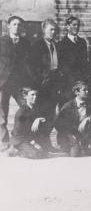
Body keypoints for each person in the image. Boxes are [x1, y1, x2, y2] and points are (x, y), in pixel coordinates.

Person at [29, 18, 63, 149]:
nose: (53, 32)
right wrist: (40, 80)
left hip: (54, 83)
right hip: (42, 84)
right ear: (44, 30)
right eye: (51, 29)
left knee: (50, 113)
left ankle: (47, 141)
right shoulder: (37, 45)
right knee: (41, 112)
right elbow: (31, 66)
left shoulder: (56, 45)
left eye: (55, 29)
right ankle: (39, 141)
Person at [56, 81, 91, 157]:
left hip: (86, 132)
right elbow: (58, 123)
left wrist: (88, 118)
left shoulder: (90, 103)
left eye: (87, 90)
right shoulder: (68, 106)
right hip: (72, 134)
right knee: (75, 154)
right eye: (84, 90)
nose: (87, 92)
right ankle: (79, 147)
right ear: (77, 92)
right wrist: (72, 135)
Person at [10, 87, 50, 159]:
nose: (35, 97)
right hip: (20, 140)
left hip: (29, 139)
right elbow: (18, 133)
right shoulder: (22, 112)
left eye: (36, 95)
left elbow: (46, 120)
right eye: (32, 95)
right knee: (36, 154)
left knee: (45, 153)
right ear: (25, 96)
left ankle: (28, 149)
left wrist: (38, 119)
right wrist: (33, 143)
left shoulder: (35, 109)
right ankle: (17, 151)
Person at [58, 16, 89, 100]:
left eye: (78, 25)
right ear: (68, 26)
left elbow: (85, 62)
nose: (77, 27)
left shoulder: (82, 42)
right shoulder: (61, 44)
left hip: (82, 77)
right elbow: (63, 65)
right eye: (74, 25)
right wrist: (74, 79)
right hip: (69, 79)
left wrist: (84, 78)